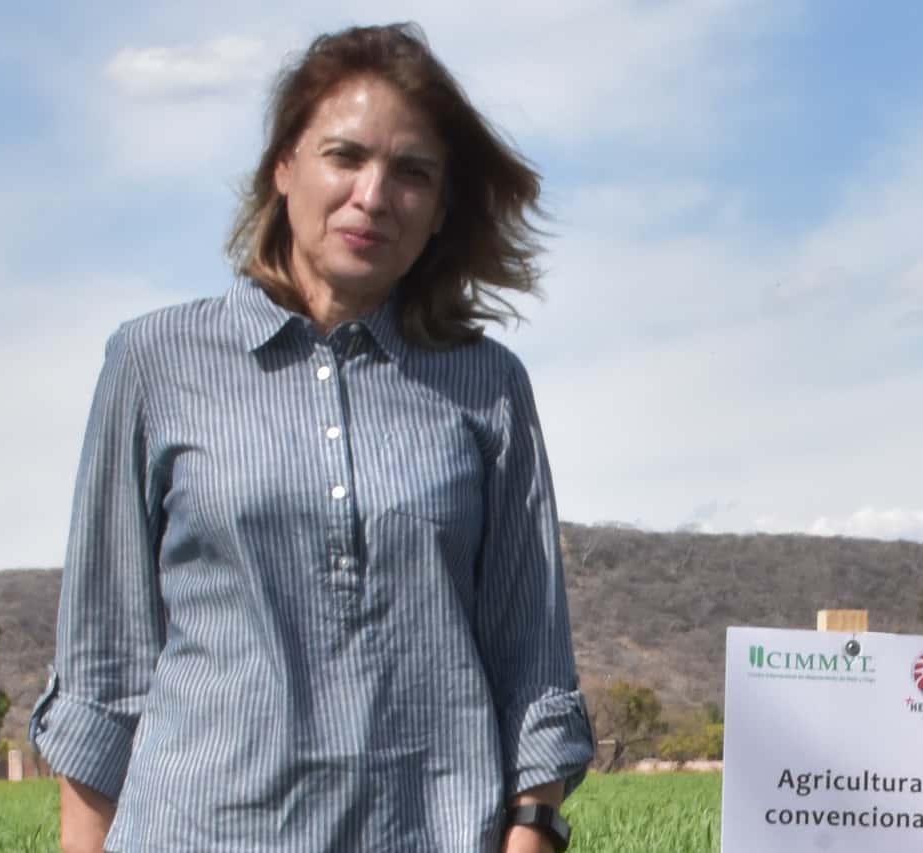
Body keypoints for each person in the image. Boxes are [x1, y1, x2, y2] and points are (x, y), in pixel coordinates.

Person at [29, 23, 591, 853]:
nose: (373, 194)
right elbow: (103, 669)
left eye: (412, 173)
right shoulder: (154, 361)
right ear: (283, 167)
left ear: (438, 212)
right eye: (345, 156)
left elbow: (532, 661)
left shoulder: (487, 384)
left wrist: (533, 831)